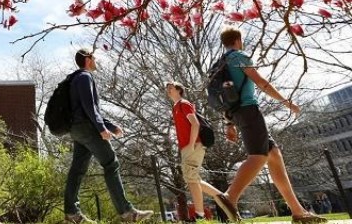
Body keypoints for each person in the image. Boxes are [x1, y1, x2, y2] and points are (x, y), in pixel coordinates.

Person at [214, 27, 326, 224]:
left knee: (274, 156)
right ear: (238, 39)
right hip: (249, 110)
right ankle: (229, 197)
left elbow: (225, 95)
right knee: (258, 156)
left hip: (237, 113)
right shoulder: (239, 56)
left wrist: (228, 123)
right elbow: (260, 82)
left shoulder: (220, 63)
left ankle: (298, 212)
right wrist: (286, 102)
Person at [63, 49, 153, 224]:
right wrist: (101, 128)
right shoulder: (85, 77)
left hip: (76, 129)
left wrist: (110, 126)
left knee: (78, 169)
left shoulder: (74, 79)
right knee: (111, 163)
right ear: (88, 59)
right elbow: (90, 107)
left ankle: (71, 213)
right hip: (87, 128)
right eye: (94, 57)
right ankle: (127, 212)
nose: (95, 60)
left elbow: (85, 109)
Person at [165, 81, 223, 220]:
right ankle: (223, 198)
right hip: (186, 147)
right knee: (193, 179)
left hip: (193, 145)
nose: (168, 90)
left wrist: (191, 144)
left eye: (171, 88)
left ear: (179, 90)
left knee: (191, 179)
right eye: (167, 88)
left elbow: (195, 124)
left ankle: (199, 215)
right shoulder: (175, 107)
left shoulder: (184, 104)